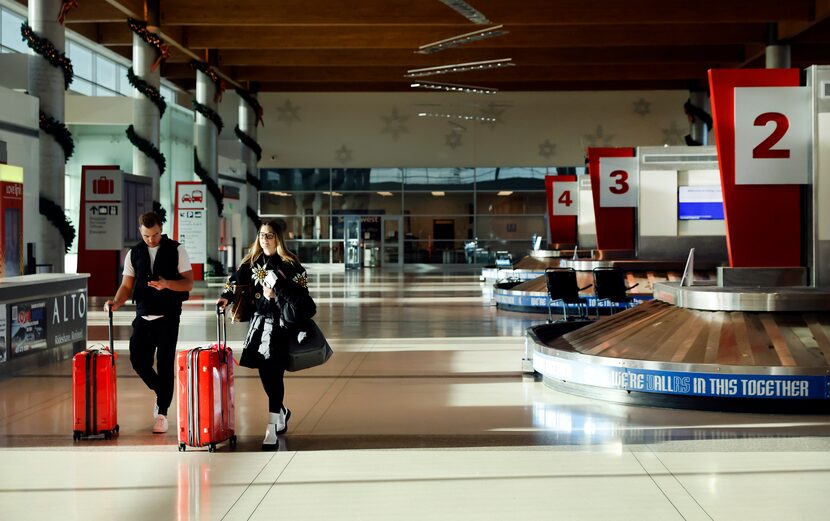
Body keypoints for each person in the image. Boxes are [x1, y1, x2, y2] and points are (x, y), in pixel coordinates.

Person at [217, 220, 315, 450]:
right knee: (265, 374)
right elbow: (234, 281)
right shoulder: (251, 262)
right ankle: (281, 410)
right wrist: (225, 297)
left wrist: (278, 290)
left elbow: (303, 300)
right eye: (262, 235)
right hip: (259, 325)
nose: (264, 239)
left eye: (269, 235)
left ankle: (272, 425)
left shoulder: (291, 265)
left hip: (281, 327)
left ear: (278, 238)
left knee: (275, 374)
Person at [104, 212, 193, 434]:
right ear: (140, 232)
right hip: (143, 315)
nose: (151, 240)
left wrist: (167, 284)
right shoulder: (134, 253)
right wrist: (115, 302)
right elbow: (126, 286)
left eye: (154, 235)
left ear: (161, 229)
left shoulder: (176, 249)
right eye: (146, 236)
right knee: (138, 360)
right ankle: (162, 392)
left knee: (164, 364)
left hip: (168, 316)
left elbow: (188, 283)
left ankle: (162, 413)